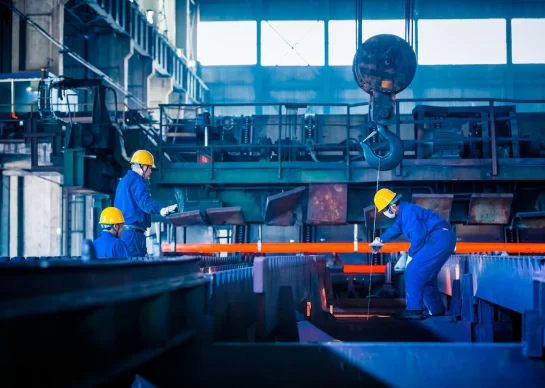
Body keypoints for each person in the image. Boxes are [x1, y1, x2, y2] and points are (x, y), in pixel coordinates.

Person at [369, 188, 457, 320]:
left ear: (392, 207)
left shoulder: (408, 212)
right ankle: (437, 312)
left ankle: (413, 310)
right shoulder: (404, 213)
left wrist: (411, 255)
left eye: (385, 210)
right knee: (427, 278)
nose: (385, 213)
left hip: (438, 238)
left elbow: (418, 235)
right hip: (442, 238)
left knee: (412, 270)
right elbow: (395, 229)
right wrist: (380, 240)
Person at [114, 150, 178, 257]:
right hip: (133, 235)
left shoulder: (124, 180)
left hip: (123, 233)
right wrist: (161, 210)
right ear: (143, 166)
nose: (151, 172)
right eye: (150, 168)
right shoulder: (137, 181)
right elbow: (145, 202)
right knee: (135, 268)